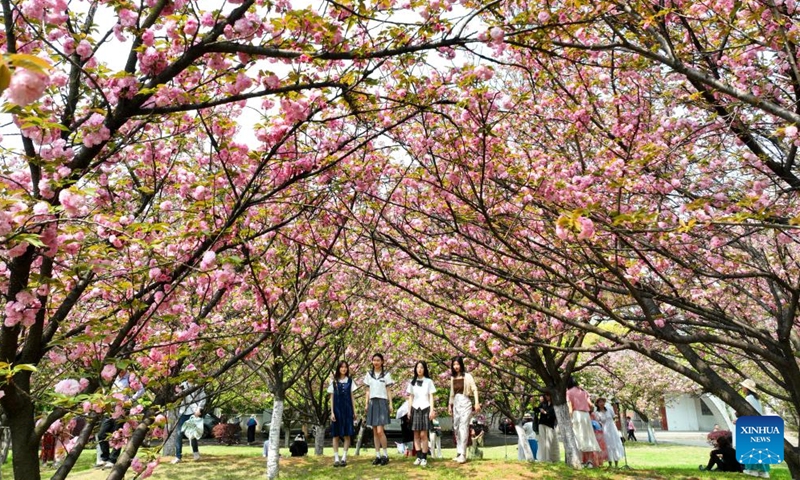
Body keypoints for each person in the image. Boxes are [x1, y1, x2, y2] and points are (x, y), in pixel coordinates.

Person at [97, 368, 145, 468]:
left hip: (123, 408)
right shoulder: (113, 378)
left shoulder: (130, 378)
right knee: (102, 433)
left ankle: (112, 459)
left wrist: (131, 400)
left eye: (122, 369)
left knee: (118, 434)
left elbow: (141, 390)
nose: (120, 371)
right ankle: (104, 458)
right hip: (110, 407)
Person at [447, 356, 480, 464]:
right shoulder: (452, 378)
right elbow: (452, 393)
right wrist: (449, 405)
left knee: (463, 427)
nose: (456, 366)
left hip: (465, 402)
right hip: (456, 403)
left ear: (461, 364)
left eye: (458, 364)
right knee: (456, 427)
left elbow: (474, 389)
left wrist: (476, 403)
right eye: (454, 364)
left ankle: (463, 454)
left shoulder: (468, 376)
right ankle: (458, 451)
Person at [363, 352, 394, 466]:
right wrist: (366, 404)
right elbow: (367, 390)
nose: (376, 362)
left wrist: (390, 404)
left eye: (378, 360)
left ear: (382, 362)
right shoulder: (369, 375)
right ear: (372, 361)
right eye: (374, 360)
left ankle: (385, 455)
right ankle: (377, 455)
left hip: (382, 402)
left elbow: (389, 390)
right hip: (372, 402)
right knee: (375, 432)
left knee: (380, 431)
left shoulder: (386, 374)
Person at [406, 360, 437, 467]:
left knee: (424, 434)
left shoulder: (429, 381)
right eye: (418, 367)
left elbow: (431, 397)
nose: (419, 369)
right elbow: (410, 397)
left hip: (425, 408)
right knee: (416, 434)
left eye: (422, 367)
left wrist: (432, 410)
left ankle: (424, 457)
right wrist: (409, 411)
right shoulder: (412, 382)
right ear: (415, 369)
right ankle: (418, 456)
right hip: (415, 408)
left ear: (425, 369)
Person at [566, 376, 600, 468]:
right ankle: (589, 461)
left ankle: (580, 461)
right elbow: (591, 405)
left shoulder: (569, 392)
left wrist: (569, 419)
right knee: (588, 437)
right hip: (586, 415)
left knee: (577, 437)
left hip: (576, 414)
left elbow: (570, 408)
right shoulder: (583, 391)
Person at [740, 379, 770, 478]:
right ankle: (763, 471)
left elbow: (748, 413)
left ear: (747, 388)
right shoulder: (756, 399)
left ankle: (752, 469)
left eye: (743, 386)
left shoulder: (749, 398)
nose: (742, 388)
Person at [171, 378, 206, 464]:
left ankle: (195, 452)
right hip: (183, 411)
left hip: (194, 412)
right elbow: (177, 398)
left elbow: (203, 398)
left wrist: (199, 409)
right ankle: (178, 456)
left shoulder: (198, 386)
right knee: (179, 433)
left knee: (192, 433)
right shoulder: (182, 385)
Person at [329, 360, 356, 467]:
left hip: (348, 410)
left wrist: (354, 411)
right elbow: (332, 397)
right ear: (338, 368)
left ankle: (344, 457)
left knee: (347, 434)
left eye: (345, 367)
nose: (344, 369)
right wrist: (332, 412)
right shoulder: (333, 381)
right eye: (341, 367)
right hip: (337, 410)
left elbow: (352, 396)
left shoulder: (350, 381)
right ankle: (336, 458)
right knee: (335, 435)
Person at [594, 398, 624, 467]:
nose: (601, 403)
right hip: (605, 430)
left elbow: (614, 416)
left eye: (602, 402)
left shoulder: (609, 409)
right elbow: (598, 422)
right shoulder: (597, 413)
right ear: (597, 404)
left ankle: (616, 463)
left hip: (612, 428)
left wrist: (616, 417)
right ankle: (610, 463)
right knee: (608, 445)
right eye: (600, 402)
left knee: (614, 443)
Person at [536, 393, 559, 462]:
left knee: (549, 442)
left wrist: (546, 413)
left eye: (548, 395)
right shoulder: (543, 403)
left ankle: (549, 458)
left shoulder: (555, 404)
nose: (547, 396)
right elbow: (536, 409)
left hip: (550, 424)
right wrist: (539, 410)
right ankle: (542, 458)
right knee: (542, 441)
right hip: (542, 423)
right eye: (546, 395)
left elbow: (554, 415)